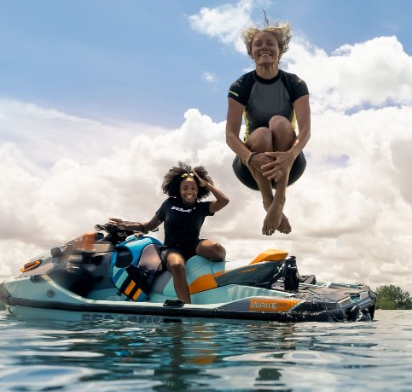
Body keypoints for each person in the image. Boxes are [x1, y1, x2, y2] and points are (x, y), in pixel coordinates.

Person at [226, 20, 311, 236]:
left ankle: (280, 198)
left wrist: (291, 155)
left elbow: (305, 131)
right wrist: (250, 157)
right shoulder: (241, 85)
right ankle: (268, 200)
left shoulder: (295, 83)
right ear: (251, 51)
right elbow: (230, 136)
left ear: (280, 50)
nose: (264, 47)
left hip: (289, 165)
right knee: (262, 132)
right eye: (258, 44)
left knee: (279, 122)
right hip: (251, 167)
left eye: (270, 43)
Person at [109, 163, 229, 304]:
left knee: (216, 248)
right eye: (185, 188)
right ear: (178, 189)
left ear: (198, 190)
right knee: (177, 266)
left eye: (193, 188)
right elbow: (148, 226)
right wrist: (125, 225)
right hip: (172, 248)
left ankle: (220, 282)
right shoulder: (169, 204)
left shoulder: (202, 207)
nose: (189, 191)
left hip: (193, 245)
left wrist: (206, 184)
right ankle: (186, 306)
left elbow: (224, 201)